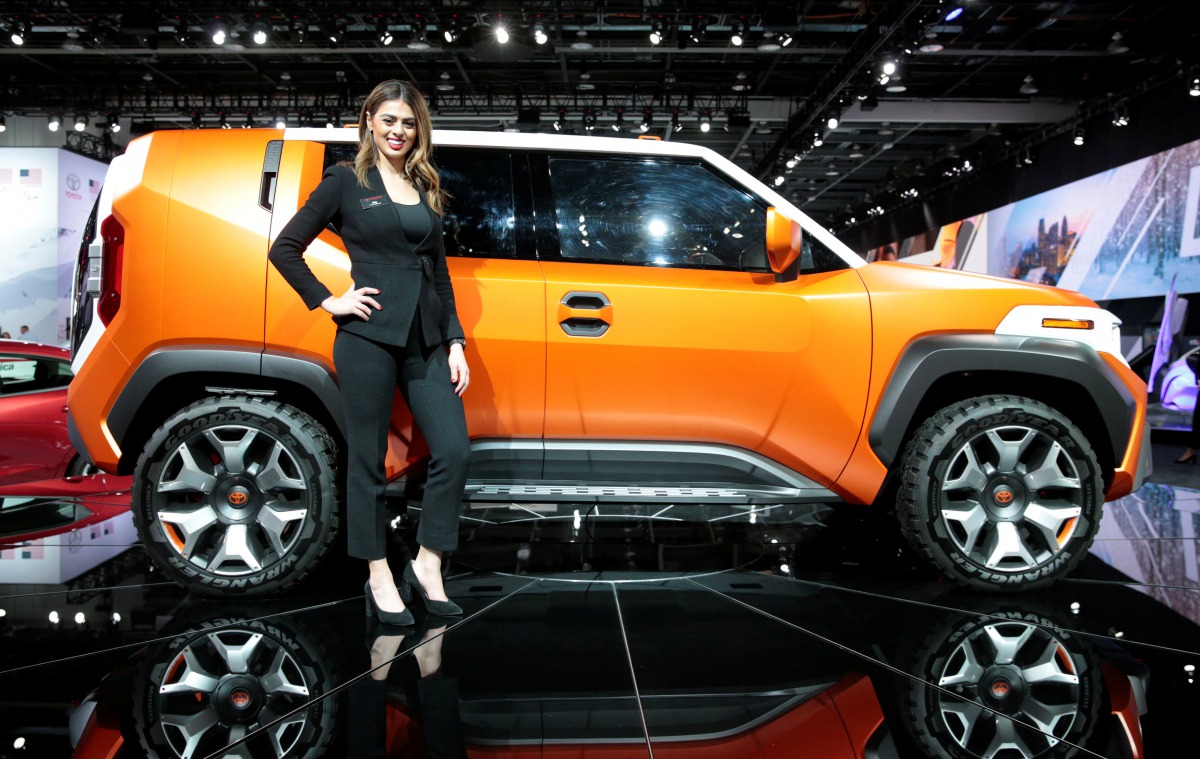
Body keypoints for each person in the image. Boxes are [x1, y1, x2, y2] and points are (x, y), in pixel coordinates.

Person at [269, 79, 470, 626]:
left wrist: (455, 340)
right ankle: (378, 572)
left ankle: (428, 564)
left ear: (418, 129)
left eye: (408, 123)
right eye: (389, 121)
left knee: (454, 449)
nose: (398, 131)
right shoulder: (345, 181)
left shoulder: (423, 187)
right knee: (368, 462)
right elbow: (283, 248)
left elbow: (441, 274)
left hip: (425, 339)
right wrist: (330, 301)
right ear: (369, 123)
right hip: (367, 339)